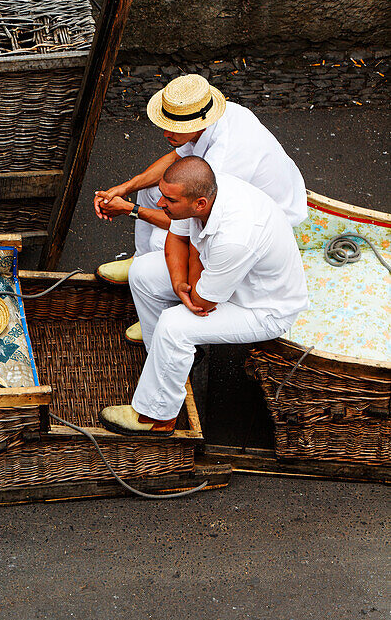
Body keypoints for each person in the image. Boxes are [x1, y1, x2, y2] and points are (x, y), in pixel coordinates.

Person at [99, 156, 307, 436]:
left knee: (175, 326)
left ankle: (155, 416)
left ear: (200, 204)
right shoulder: (203, 190)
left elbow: (200, 301)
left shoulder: (236, 237)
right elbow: (177, 238)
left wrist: (189, 283)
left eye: (168, 201)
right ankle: (164, 364)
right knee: (143, 272)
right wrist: (178, 283)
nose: (160, 204)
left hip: (260, 307)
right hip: (222, 275)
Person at [93, 74, 307, 342]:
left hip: (266, 220)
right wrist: (127, 187)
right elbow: (178, 157)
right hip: (222, 203)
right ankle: (141, 260)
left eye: (173, 128)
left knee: (164, 242)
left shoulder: (226, 160)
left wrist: (130, 210)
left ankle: (167, 308)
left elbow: (186, 217)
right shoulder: (212, 118)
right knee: (151, 190)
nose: (165, 134)